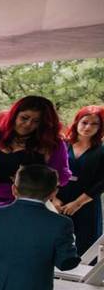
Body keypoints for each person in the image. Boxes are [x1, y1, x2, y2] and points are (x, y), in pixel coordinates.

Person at [0, 95, 70, 207]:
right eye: (24, 118)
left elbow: (61, 176)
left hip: (30, 203)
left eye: (36, 121)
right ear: (14, 115)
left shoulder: (52, 143)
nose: (28, 124)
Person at [57, 105, 104, 255]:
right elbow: (49, 171)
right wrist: (53, 199)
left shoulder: (101, 151)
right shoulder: (62, 145)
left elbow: (101, 183)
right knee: (55, 244)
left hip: (86, 203)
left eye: (94, 124)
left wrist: (77, 204)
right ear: (77, 122)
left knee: (87, 248)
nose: (88, 127)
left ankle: (82, 279)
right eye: (84, 122)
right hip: (58, 203)